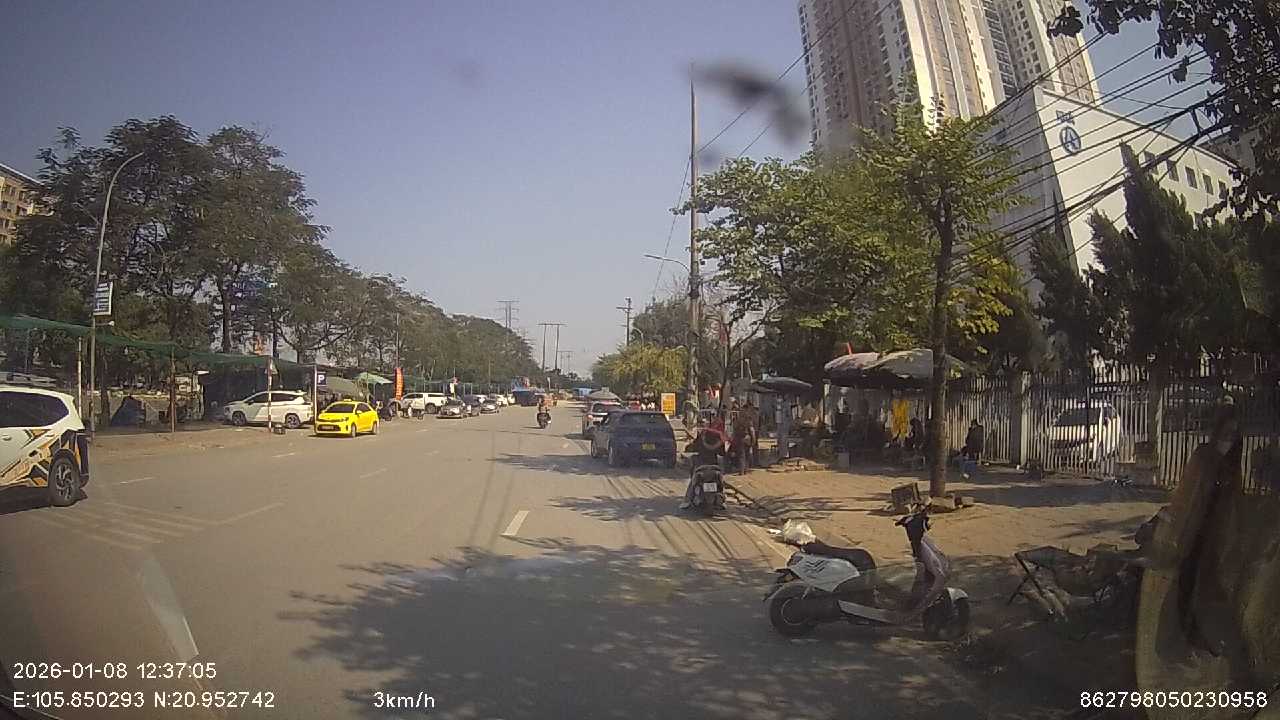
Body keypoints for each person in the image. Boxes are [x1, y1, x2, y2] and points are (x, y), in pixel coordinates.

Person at [681, 426, 726, 509]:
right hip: (714, 466)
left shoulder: (702, 437)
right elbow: (722, 453)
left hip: (701, 465)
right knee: (721, 482)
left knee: (693, 482)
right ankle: (722, 500)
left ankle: (687, 501)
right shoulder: (719, 440)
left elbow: (694, 447)